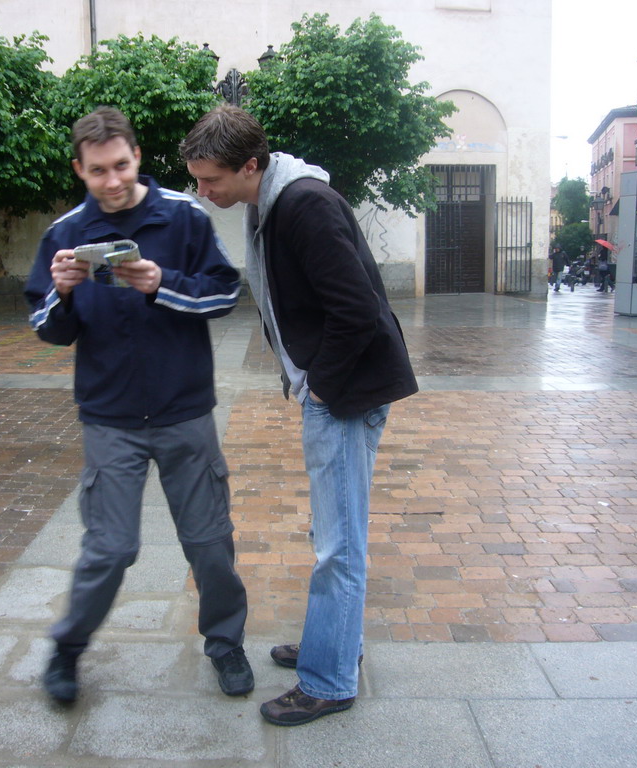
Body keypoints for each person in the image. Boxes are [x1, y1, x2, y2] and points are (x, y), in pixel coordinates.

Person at [180, 105, 418, 726]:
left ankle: (329, 680)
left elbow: (358, 310)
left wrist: (320, 387)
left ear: (250, 166)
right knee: (333, 533)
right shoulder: (273, 199)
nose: (203, 192)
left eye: (211, 181)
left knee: (338, 545)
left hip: (346, 393)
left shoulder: (303, 205)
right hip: (339, 388)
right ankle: (332, 644)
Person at [24, 106, 252, 705]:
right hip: (110, 420)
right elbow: (45, 326)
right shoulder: (66, 232)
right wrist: (64, 294)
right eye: (98, 170)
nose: (113, 180)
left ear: (137, 158)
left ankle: (226, 643)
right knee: (111, 547)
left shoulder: (183, 217)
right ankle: (67, 649)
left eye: (121, 164)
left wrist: (162, 284)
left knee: (209, 542)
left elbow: (226, 291)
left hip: (184, 413)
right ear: (81, 169)